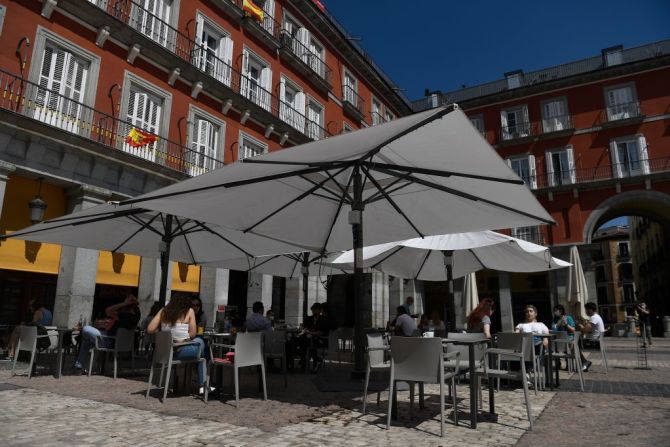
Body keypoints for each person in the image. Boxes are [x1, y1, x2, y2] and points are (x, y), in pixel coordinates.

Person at [147, 294, 212, 395]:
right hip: (181, 352)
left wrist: (164, 333)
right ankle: (203, 385)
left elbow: (150, 329)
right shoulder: (189, 311)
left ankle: (200, 384)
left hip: (165, 353)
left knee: (201, 352)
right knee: (200, 342)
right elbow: (193, 333)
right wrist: (182, 339)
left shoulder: (164, 311)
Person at [71, 293, 141, 374]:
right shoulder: (136, 316)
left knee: (85, 329)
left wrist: (125, 303)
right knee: (86, 340)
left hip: (109, 342)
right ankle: (80, 366)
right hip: (116, 341)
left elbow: (108, 310)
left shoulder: (125, 315)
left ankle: (81, 366)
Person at [577, 302, 606, 372]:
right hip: (597, 341)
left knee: (573, 346)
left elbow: (585, 331)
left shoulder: (594, 318)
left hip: (593, 342)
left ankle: (584, 362)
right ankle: (584, 362)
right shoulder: (597, 316)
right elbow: (590, 330)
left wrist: (579, 325)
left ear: (590, 310)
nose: (586, 311)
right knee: (575, 344)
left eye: (586, 310)